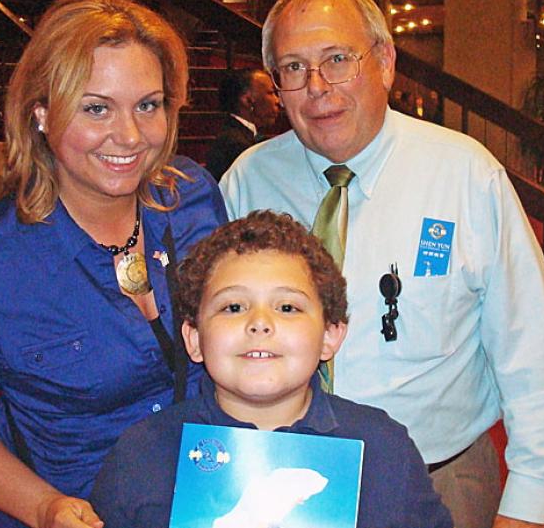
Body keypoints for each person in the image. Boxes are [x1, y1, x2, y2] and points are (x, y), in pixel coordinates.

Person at [219, 0, 544, 528]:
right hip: (281, 480)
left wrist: (526, 505)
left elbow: (533, 355)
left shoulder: (464, 174)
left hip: (440, 482)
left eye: (338, 59)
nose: (317, 86)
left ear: (384, 62)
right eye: (293, 68)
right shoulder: (248, 180)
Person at [0, 0, 227, 528]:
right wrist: (43, 507)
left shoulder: (193, 198)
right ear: (42, 115)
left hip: (196, 499)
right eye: (96, 107)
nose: (129, 135)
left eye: (148, 104)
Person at [89, 210, 453, 528]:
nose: (259, 323)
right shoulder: (142, 454)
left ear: (330, 335)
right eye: (233, 307)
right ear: (195, 339)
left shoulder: (384, 448)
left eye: (287, 308)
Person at [205, 68, 280, 180]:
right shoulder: (235, 145)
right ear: (247, 100)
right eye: (271, 93)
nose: (277, 101)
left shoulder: (242, 137)